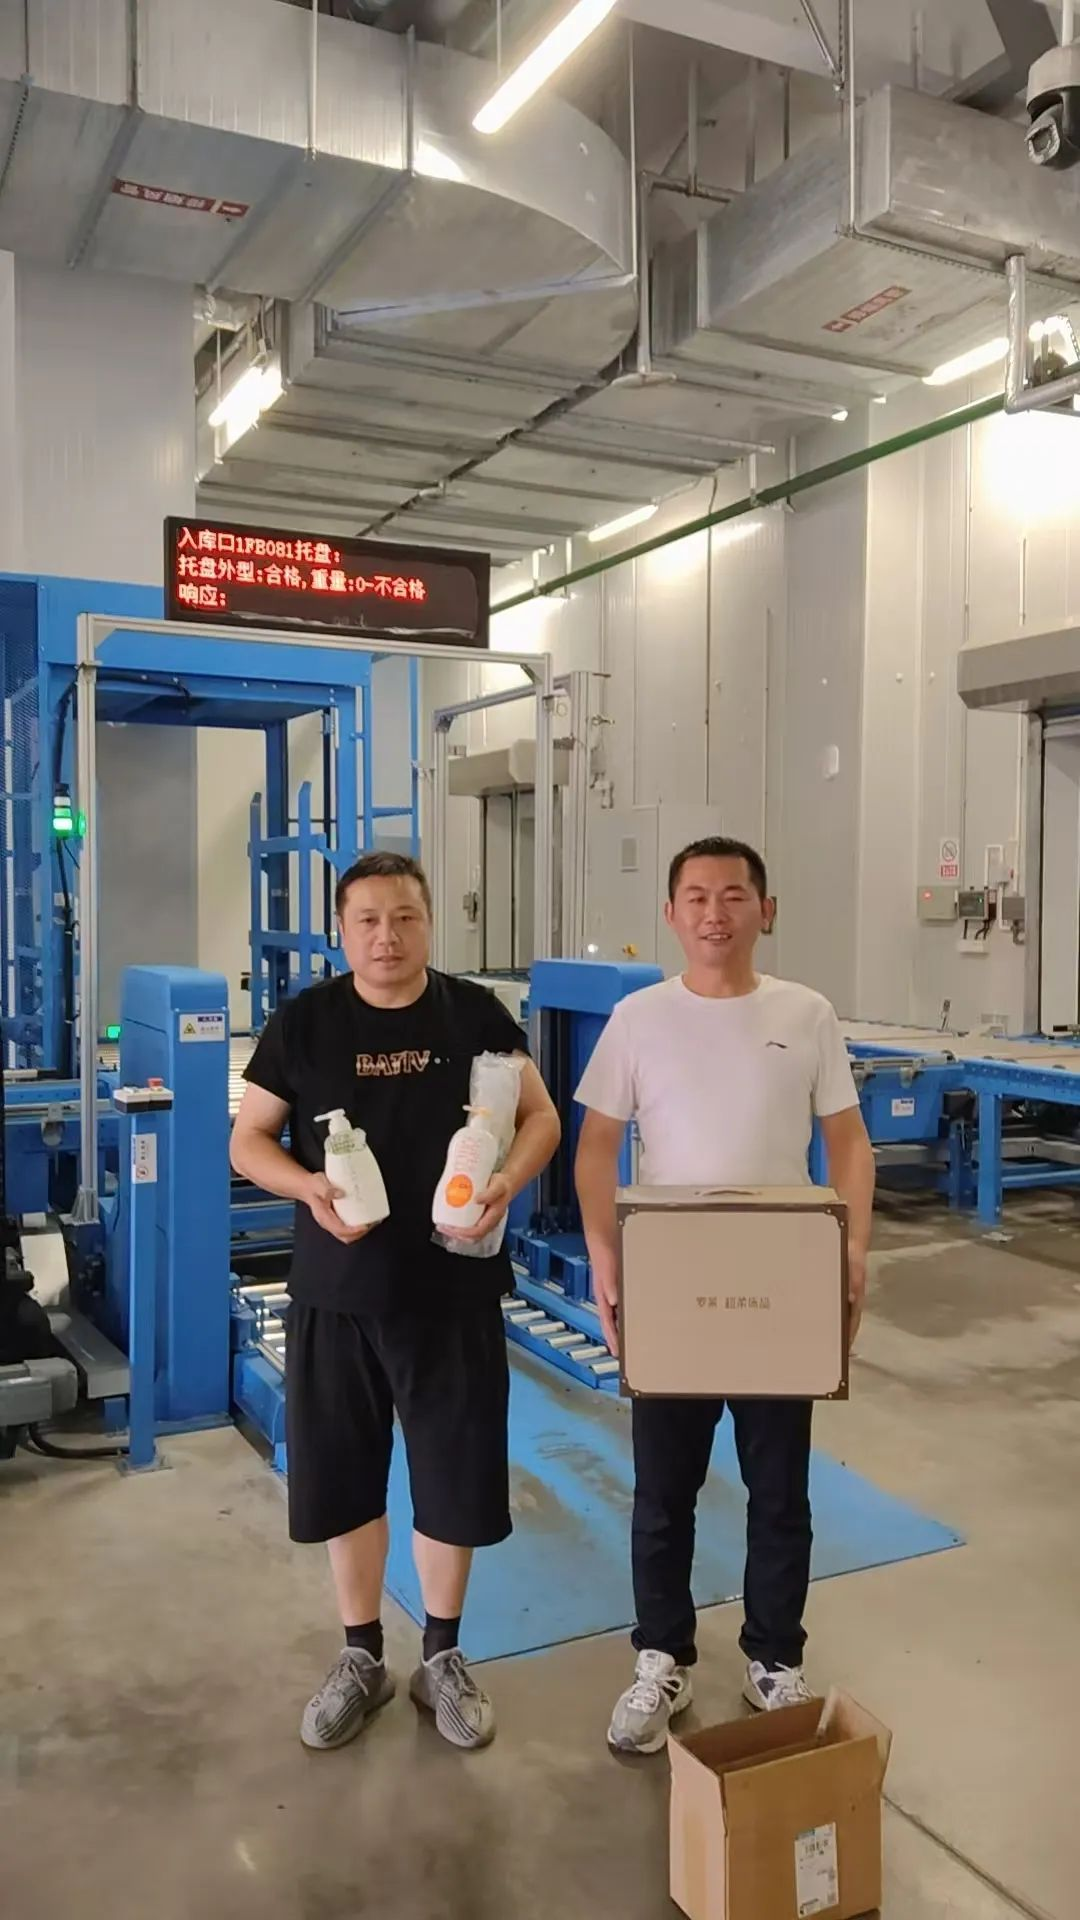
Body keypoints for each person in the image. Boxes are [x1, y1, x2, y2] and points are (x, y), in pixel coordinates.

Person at [231, 851, 560, 1755]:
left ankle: (442, 1656)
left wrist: (507, 1183)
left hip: (453, 1289)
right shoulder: (306, 1023)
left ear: (428, 923)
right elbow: (248, 1140)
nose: (388, 935)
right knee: (344, 1475)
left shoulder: (474, 1014)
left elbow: (540, 1117)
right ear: (341, 931)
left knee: (453, 1475)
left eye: (405, 917)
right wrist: (307, 1188)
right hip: (338, 1294)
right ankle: (361, 1655)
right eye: (369, 920)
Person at [574, 836, 874, 1755]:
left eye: (735, 895)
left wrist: (853, 1250)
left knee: (780, 1488)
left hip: (781, 1281)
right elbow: (596, 1147)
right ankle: (661, 1656)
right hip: (674, 1281)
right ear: (671, 914)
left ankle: (774, 1656)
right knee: (663, 1490)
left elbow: (848, 1142)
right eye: (697, 897)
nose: (716, 913)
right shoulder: (638, 1018)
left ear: (765, 910)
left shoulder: (806, 1013)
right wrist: (605, 1255)